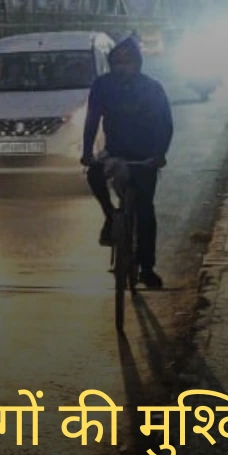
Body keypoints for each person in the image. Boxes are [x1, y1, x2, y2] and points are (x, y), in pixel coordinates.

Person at [80, 36, 174, 289]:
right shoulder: (102, 86)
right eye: (117, 62)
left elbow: (164, 125)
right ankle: (110, 215)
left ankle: (147, 267)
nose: (122, 67)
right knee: (94, 175)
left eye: (127, 62)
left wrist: (159, 154)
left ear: (138, 64)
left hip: (144, 157)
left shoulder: (152, 88)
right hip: (115, 153)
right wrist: (87, 152)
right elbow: (92, 121)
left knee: (145, 210)